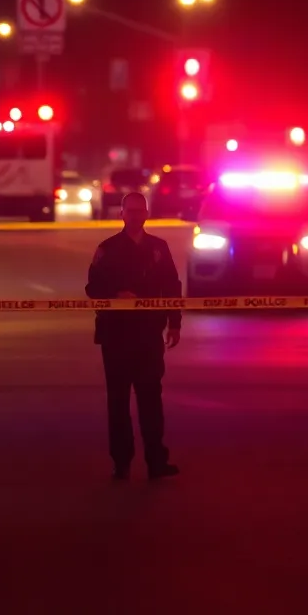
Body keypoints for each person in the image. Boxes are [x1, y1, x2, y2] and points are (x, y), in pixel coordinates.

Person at [84, 192, 181, 481]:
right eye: (131, 210)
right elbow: (92, 287)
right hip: (116, 336)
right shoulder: (107, 248)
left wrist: (174, 324)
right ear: (121, 214)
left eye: (141, 210)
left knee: (151, 398)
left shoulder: (159, 249)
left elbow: (172, 288)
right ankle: (121, 462)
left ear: (147, 213)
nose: (136, 215)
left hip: (149, 333)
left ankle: (156, 461)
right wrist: (116, 295)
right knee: (118, 401)